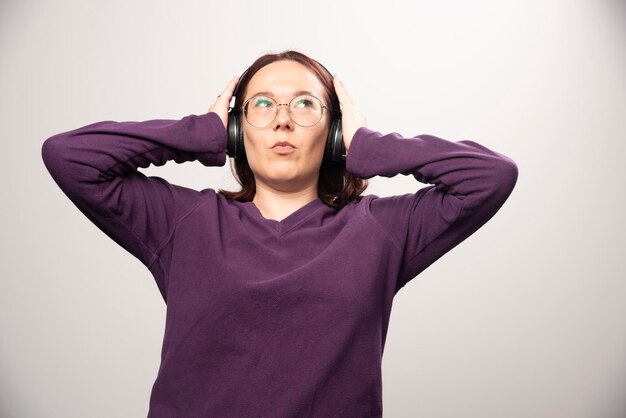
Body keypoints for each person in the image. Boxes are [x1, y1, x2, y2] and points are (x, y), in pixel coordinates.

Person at [41, 49, 518, 417]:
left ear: (332, 131)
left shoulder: (379, 230)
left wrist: (367, 146)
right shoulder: (182, 222)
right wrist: (200, 133)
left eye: (305, 105)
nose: (282, 120)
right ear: (236, 131)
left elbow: (490, 177)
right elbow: (70, 156)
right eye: (262, 105)